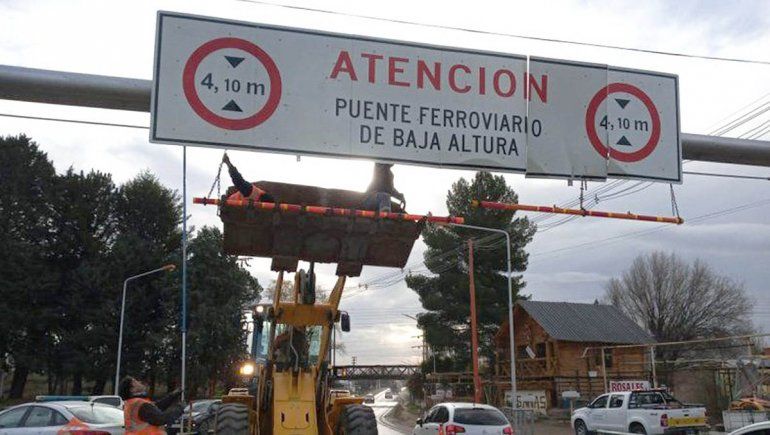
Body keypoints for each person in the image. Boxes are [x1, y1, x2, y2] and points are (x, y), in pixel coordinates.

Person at [119, 376, 184, 435]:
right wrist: (178, 408)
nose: (139, 382)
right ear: (132, 390)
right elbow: (160, 419)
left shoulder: (133, 403)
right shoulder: (141, 404)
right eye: (135, 381)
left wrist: (173, 396)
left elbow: (156, 407)